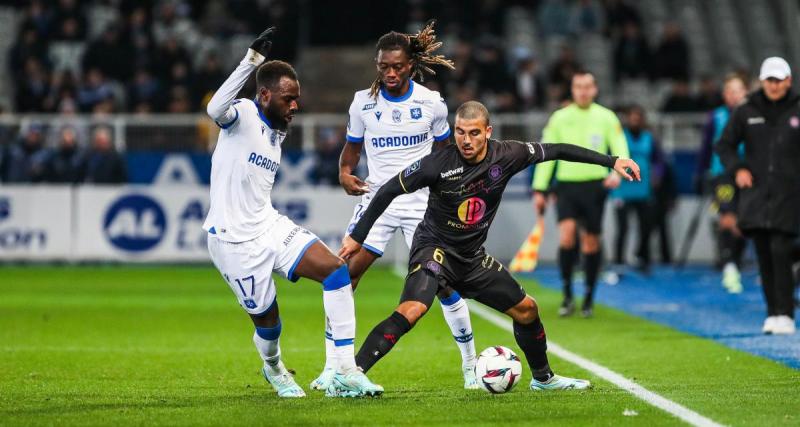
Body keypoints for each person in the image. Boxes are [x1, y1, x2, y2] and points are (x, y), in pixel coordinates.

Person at [339, 101, 640, 390]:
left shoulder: (509, 154)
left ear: (488, 131)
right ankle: (353, 373)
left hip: (471, 258)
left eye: (473, 132)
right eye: (460, 132)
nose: (465, 140)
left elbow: (557, 150)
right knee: (414, 308)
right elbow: (388, 190)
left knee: (527, 310)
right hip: (435, 249)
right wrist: (358, 236)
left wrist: (612, 161)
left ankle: (543, 379)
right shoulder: (437, 163)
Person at [202, 27, 383, 398]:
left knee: (337, 272)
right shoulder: (243, 115)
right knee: (269, 325)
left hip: (268, 225)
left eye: (297, 99)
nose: (295, 106)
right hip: (233, 242)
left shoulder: (277, 129)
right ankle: (274, 368)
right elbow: (214, 109)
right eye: (288, 99)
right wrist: (251, 62)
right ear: (264, 94)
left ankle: (345, 369)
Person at [313, 22, 480, 391]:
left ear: (411, 65)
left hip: (423, 205)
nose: (390, 73)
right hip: (377, 202)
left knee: (445, 284)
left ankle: (471, 366)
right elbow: (353, 148)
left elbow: (443, 154)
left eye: (397, 67)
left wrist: (447, 193)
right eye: (383, 66)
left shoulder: (432, 103)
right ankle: (333, 366)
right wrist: (344, 172)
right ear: (377, 64)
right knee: (341, 276)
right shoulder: (363, 103)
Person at [532, 71, 630, 317]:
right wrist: (540, 188)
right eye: (578, 86)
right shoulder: (560, 118)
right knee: (566, 238)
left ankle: (588, 296)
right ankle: (567, 295)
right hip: (566, 185)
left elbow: (620, 147)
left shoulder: (606, 117)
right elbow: (546, 153)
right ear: (572, 89)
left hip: (595, 186)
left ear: (595, 89)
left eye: (587, 86)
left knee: (591, 242)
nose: (583, 91)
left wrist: (617, 174)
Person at [717, 57, 800, 335]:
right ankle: (772, 312)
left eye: (779, 80)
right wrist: (738, 168)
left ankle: (786, 312)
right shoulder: (746, 110)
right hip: (757, 194)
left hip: (790, 194)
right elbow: (725, 145)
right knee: (764, 252)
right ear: (762, 81)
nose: (774, 85)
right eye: (770, 80)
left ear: (788, 80)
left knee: (781, 250)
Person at [696, 73, 748, 293]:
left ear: (745, 93)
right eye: (729, 91)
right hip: (722, 174)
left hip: (748, 174)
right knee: (727, 218)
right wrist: (700, 174)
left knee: (744, 224)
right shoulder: (715, 117)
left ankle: (735, 262)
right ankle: (729, 266)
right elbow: (706, 147)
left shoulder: (752, 116)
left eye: (737, 90)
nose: (733, 95)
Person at [611, 105, 664, 272]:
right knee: (622, 228)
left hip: (644, 189)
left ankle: (643, 258)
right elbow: (609, 158)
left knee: (646, 227)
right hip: (623, 190)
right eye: (632, 117)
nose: (635, 120)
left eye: (638, 117)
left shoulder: (649, 138)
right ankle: (618, 261)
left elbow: (659, 160)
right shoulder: (620, 137)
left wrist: (657, 175)